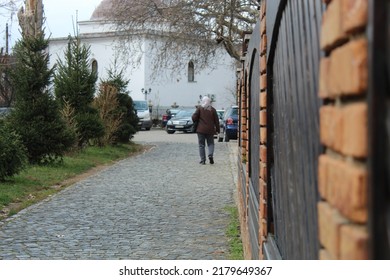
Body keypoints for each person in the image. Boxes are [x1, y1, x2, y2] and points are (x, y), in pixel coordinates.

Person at [192, 96, 220, 165]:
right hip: (210, 130)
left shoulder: (200, 108)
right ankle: (210, 155)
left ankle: (203, 160)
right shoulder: (213, 110)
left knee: (201, 145)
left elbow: (194, 117)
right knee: (211, 143)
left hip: (200, 130)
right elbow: (216, 121)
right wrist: (217, 129)